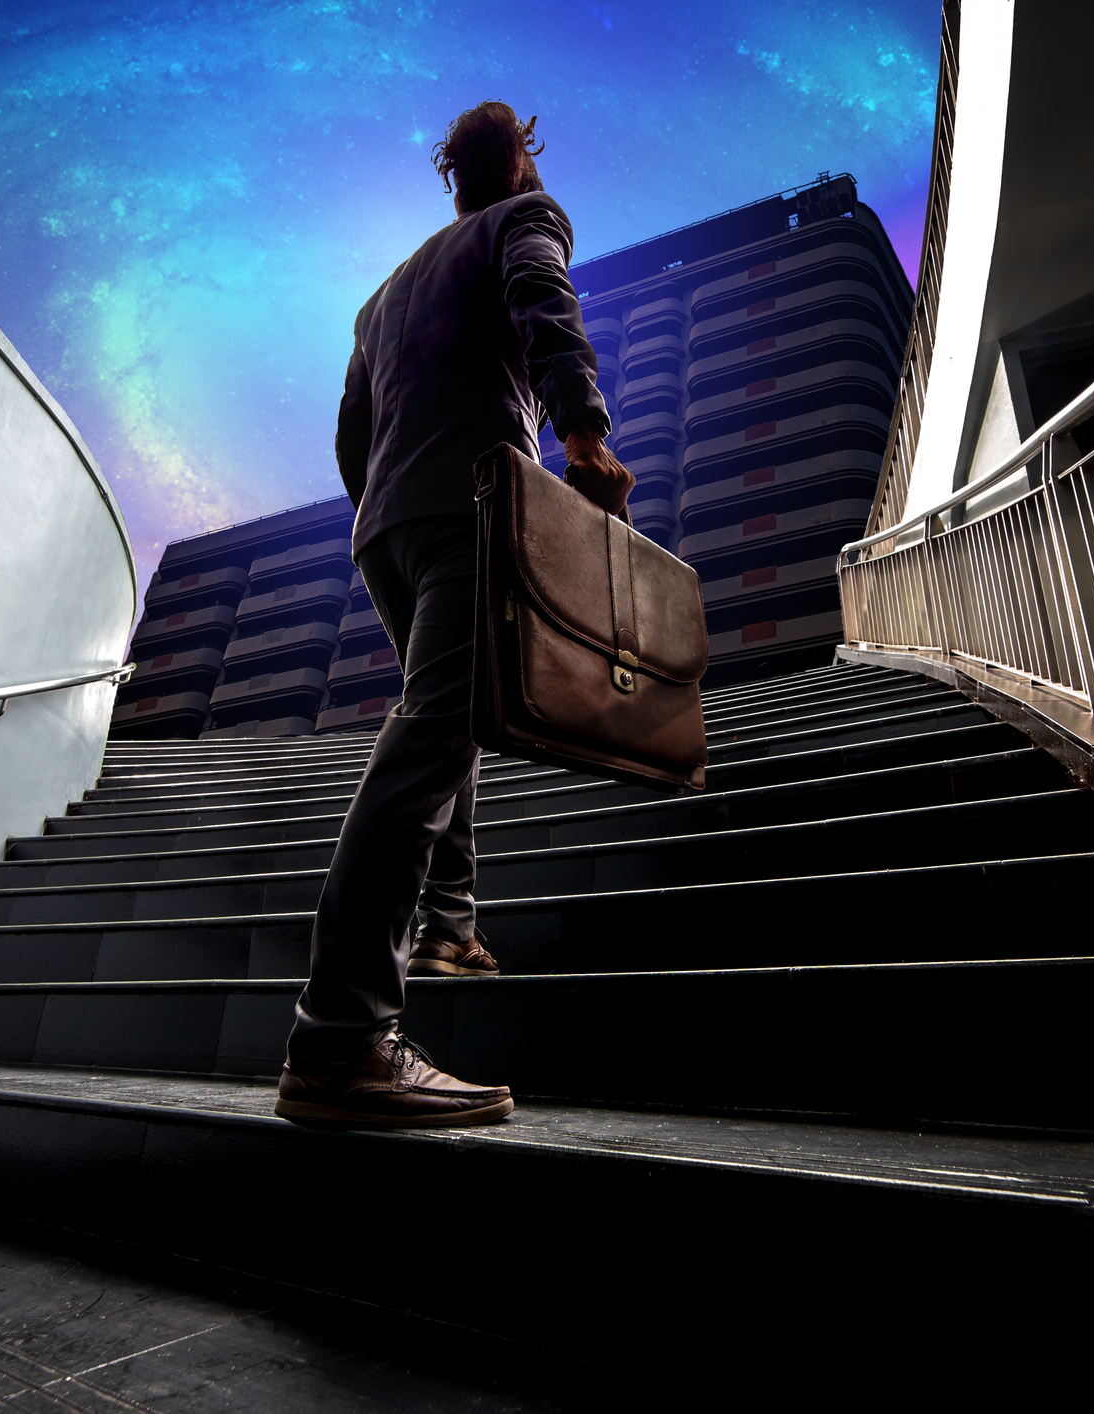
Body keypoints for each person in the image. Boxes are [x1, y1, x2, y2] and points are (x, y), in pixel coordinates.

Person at [273, 102, 633, 1128]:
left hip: (389, 525)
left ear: (452, 175)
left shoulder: (381, 297)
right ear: (520, 163)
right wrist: (583, 433)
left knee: (451, 717)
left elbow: (354, 433)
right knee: (431, 739)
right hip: (474, 502)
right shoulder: (530, 218)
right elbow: (543, 304)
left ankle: (448, 927)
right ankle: (341, 1037)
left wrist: (387, 505)